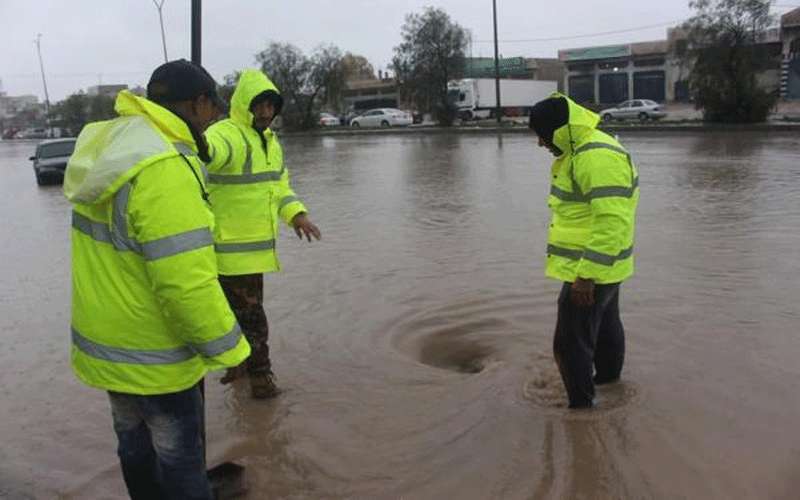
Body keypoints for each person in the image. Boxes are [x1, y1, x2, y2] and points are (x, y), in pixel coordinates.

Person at [64, 59, 251, 499]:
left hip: (109, 347)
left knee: (133, 447)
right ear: (199, 103)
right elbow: (185, 283)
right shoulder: (165, 167)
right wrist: (231, 349)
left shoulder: (111, 148)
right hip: (157, 355)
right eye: (213, 110)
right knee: (181, 460)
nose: (215, 120)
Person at [204, 69, 321, 399]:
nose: (266, 113)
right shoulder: (227, 134)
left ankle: (238, 366)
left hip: (249, 255)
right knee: (252, 320)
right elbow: (210, 152)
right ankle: (261, 381)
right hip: (227, 252)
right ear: (244, 105)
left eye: (271, 106)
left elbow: (279, 187)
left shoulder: (271, 143)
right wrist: (196, 142)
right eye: (259, 106)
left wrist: (297, 215)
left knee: (235, 317)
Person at [529, 93, 639, 409]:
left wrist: (586, 276)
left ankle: (581, 410)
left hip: (592, 268)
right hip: (606, 265)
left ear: (559, 130)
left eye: (542, 136)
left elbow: (612, 220)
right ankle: (608, 385)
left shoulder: (595, 157)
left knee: (568, 342)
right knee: (604, 326)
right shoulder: (584, 150)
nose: (540, 144)